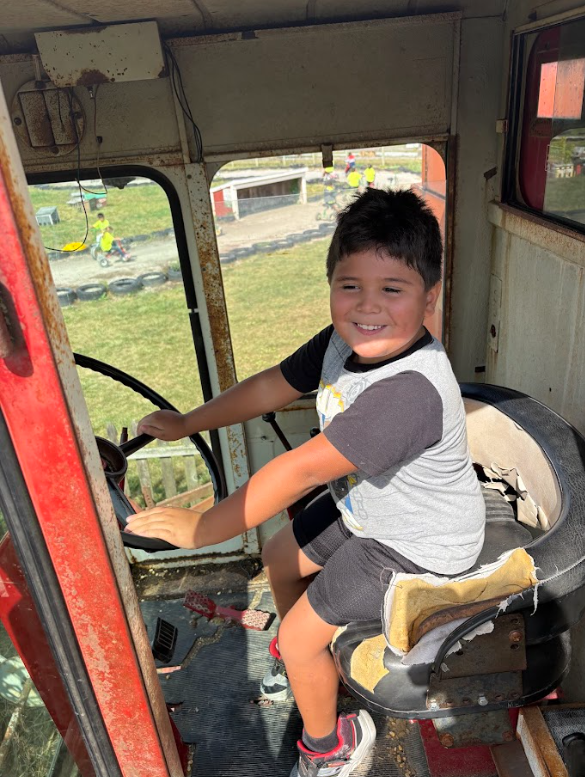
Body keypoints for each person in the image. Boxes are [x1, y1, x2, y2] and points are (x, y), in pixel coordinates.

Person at [128, 188, 486, 777]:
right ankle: (306, 659)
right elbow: (273, 385)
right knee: (278, 553)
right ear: (331, 286)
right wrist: (189, 421)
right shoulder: (345, 342)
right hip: (372, 510)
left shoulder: (409, 391)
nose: (368, 307)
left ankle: (331, 746)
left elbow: (298, 471)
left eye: (392, 290)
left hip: (420, 543)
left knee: (296, 637)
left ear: (430, 298)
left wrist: (204, 528)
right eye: (351, 287)